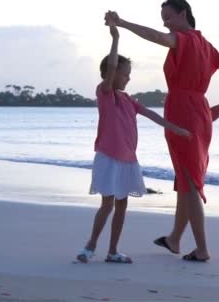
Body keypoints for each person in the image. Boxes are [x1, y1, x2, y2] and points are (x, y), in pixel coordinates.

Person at [104, 0, 219, 262]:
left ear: (183, 14)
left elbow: (157, 37)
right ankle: (175, 238)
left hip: (183, 110)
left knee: (189, 180)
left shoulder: (184, 39)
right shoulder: (206, 45)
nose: (166, 24)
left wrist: (122, 23)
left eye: (168, 17)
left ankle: (202, 249)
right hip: (200, 110)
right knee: (185, 176)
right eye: (163, 19)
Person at [76, 24, 192, 264]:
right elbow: (110, 68)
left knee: (121, 206)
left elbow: (153, 115)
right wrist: (116, 37)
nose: (128, 77)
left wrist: (177, 129)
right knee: (107, 204)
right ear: (114, 72)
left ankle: (112, 251)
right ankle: (90, 245)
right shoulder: (105, 93)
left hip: (128, 159)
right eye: (125, 73)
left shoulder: (129, 100)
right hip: (108, 157)